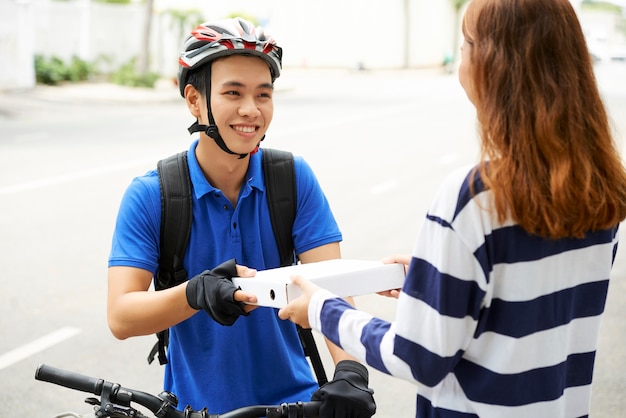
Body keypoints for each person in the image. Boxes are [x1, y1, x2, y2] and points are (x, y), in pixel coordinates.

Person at [278, 0, 626, 416]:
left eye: (465, 46)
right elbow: (533, 306)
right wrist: (436, 282)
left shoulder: (475, 197)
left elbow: (417, 358)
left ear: (489, 66)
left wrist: (322, 309)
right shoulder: (599, 189)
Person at [107, 17, 375, 416]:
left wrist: (351, 370)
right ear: (195, 100)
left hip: (296, 404)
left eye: (263, 95)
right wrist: (195, 293)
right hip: (198, 409)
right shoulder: (153, 195)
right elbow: (121, 316)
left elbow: (331, 283)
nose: (251, 110)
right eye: (233, 92)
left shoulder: (292, 179)